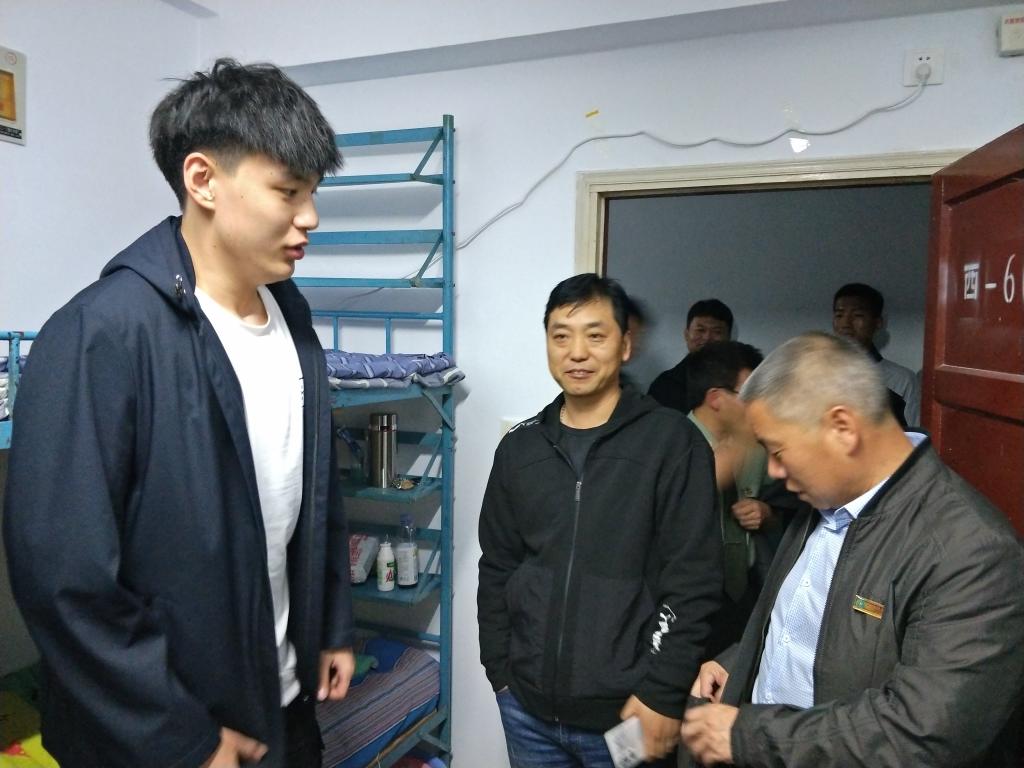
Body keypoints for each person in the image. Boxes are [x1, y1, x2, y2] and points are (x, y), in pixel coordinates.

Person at [3, 59, 355, 768]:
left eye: (313, 193)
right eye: (288, 191)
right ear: (203, 180)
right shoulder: (102, 333)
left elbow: (311, 497)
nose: (310, 217)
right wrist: (181, 737)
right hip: (170, 734)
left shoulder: (291, 316)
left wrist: (330, 626)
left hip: (282, 700)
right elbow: (65, 578)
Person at [681, 332, 1024, 767]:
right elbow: (799, 627)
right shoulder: (820, 498)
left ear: (842, 428)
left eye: (778, 450)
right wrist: (740, 664)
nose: (774, 470)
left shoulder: (973, 552)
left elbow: (922, 733)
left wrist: (748, 736)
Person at [477, 273, 721, 767]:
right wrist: (500, 671)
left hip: (630, 713)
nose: (577, 353)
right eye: (561, 336)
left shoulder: (671, 442)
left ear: (625, 345)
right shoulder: (520, 449)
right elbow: (498, 564)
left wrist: (661, 692)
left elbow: (693, 579)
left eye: (595, 335)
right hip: (526, 710)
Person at [684, 341, 804, 659]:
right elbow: (684, 496)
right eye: (748, 393)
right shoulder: (673, 442)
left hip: (747, 590)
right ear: (716, 398)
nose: (757, 403)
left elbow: (784, 504)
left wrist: (766, 512)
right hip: (690, 598)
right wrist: (736, 444)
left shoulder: (756, 446)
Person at [832, 282, 920, 426]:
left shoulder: (901, 381)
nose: (845, 324)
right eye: (839, 315)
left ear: (878, 322)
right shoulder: (815, 373)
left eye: (857, 315)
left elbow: (914, 435)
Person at [648, 299, 733, 413]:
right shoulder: (665, 384)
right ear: (687, 334)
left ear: (728, 337)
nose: (707, 338)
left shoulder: (739, 382)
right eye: (700, 330)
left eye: (717, 332)